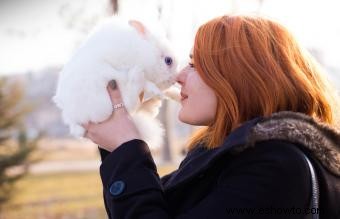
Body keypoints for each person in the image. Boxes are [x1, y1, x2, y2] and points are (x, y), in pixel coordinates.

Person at [83, 15, 340, 218]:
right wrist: (117, 145)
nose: (180, 76)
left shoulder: (277, 167)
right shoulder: (217, 153)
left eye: (195, 65)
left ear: (241, 78)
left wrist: (126, 148)